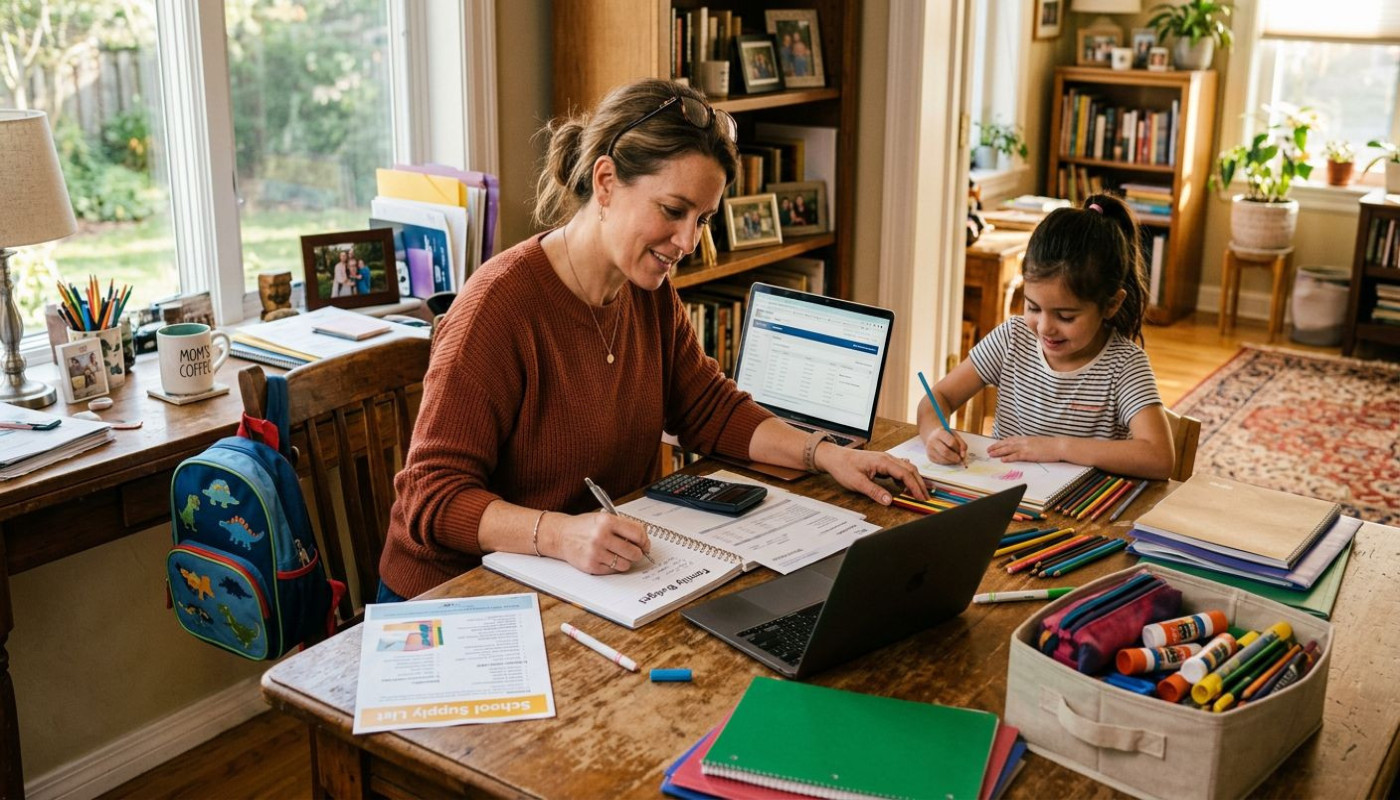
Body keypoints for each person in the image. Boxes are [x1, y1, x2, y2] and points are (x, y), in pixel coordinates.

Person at [377, 79, 927, 601]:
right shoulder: (497, 308)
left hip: (579, 581)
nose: (687, 240)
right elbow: (431, 496)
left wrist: (824, 454)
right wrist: (562, 534)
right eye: (673, 210)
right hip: (454, 598)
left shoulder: (646, 289)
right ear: (606, 181)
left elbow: (708, 407)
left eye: (703, 219)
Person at [917, 194, 1175, 480]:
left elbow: (1159, 457)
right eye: (1033, 307)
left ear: (1111, 305)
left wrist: (1059, 447)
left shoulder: (1124, 365)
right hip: (1002, 498)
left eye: (1066, 317)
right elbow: (936, 398)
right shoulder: (1011, 339)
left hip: (1081, 514)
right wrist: (934, 434)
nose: (1044, 328)